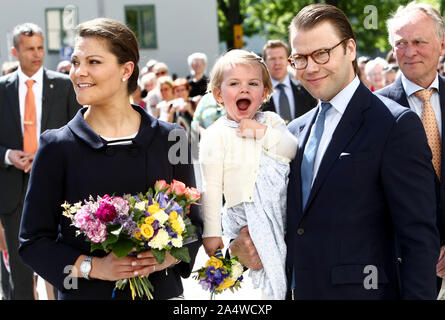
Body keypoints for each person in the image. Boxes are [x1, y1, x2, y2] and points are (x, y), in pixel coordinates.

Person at [230, 3, 440, 299]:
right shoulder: (293, 132)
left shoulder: (393, 125)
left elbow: (418, 239)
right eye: (300, 58)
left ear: (350, 49)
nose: (311, 67)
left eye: (321, 53)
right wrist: (238, 244)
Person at [18, 18, 202, 300]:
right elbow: (33, 242)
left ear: (126, 69)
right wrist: (95, 267)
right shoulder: (56, 146)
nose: (78, 72)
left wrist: (168, 258)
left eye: (93, 62)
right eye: (76, 62)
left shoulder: (172, 138)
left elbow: (194, 224)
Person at [200, 49, 298, 299]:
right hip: (243, 213)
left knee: (282, 260)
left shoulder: (272, 122)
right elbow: (210, 188)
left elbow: (290, 150)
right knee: (260, 273)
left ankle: (281, 290)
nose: (244, 90)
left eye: (252, 84)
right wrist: (211, 232)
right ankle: (274, 293)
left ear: (264, 93)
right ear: (219, 94)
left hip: (280, 211)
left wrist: (261, 132)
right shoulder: (215, 134)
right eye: (234, 83)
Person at [0, 22, 81, 300]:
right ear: (14, 51)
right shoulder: (2, 90)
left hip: (56, 188)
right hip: (12, 191)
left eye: (40, 48)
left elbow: (79, 131)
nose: (36, 54)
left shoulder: (62, 85)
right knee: (20, 272)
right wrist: (8, 155)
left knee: (61, 264)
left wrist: (47, 156)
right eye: (29, 49)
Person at [376, 1, 445, 297]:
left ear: (442, 45)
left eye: (419, 41)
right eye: (401, 43)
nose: (409, 51)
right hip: (399, 269)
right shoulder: (373, 111)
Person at [261, 40, 317, 123]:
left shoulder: (307, 91)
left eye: (281, 58)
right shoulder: (258, 95)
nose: (277, 63)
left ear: (288, 60)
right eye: (272, 59)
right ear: (265, 62)